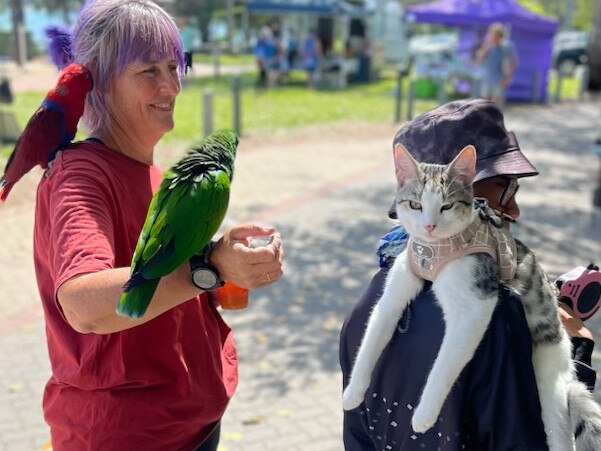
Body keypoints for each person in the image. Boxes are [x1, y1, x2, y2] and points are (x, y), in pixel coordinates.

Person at [33, 1, 283, 450]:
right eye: (148, 70)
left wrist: (221, 268)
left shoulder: (153, 170)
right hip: (130, 436)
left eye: (174, 65)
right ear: (100, 83)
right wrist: (208, 267)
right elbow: (83, 305)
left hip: (192, 422)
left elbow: (166, 281)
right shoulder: (81, 175)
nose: (171, 85)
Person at [339, 99, 596, 450]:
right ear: (464, 189)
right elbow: (528, 437)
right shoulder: (500, 317)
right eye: (506, 190)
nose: (515, 208)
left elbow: (357, 435)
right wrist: (576, 350)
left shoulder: (367, 305)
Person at [476, 22, 518, 106]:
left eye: (496, 35)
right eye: (492, 34)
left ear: (501, 36)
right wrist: (487, 46)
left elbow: (513, 62)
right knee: (484, 103)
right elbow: (479, 60)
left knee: (496, 103)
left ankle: (496, 118)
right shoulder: (487, 46)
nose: (494, 36)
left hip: (499, 79)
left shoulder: (507, 47)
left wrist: (508, 77)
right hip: (486, 77)